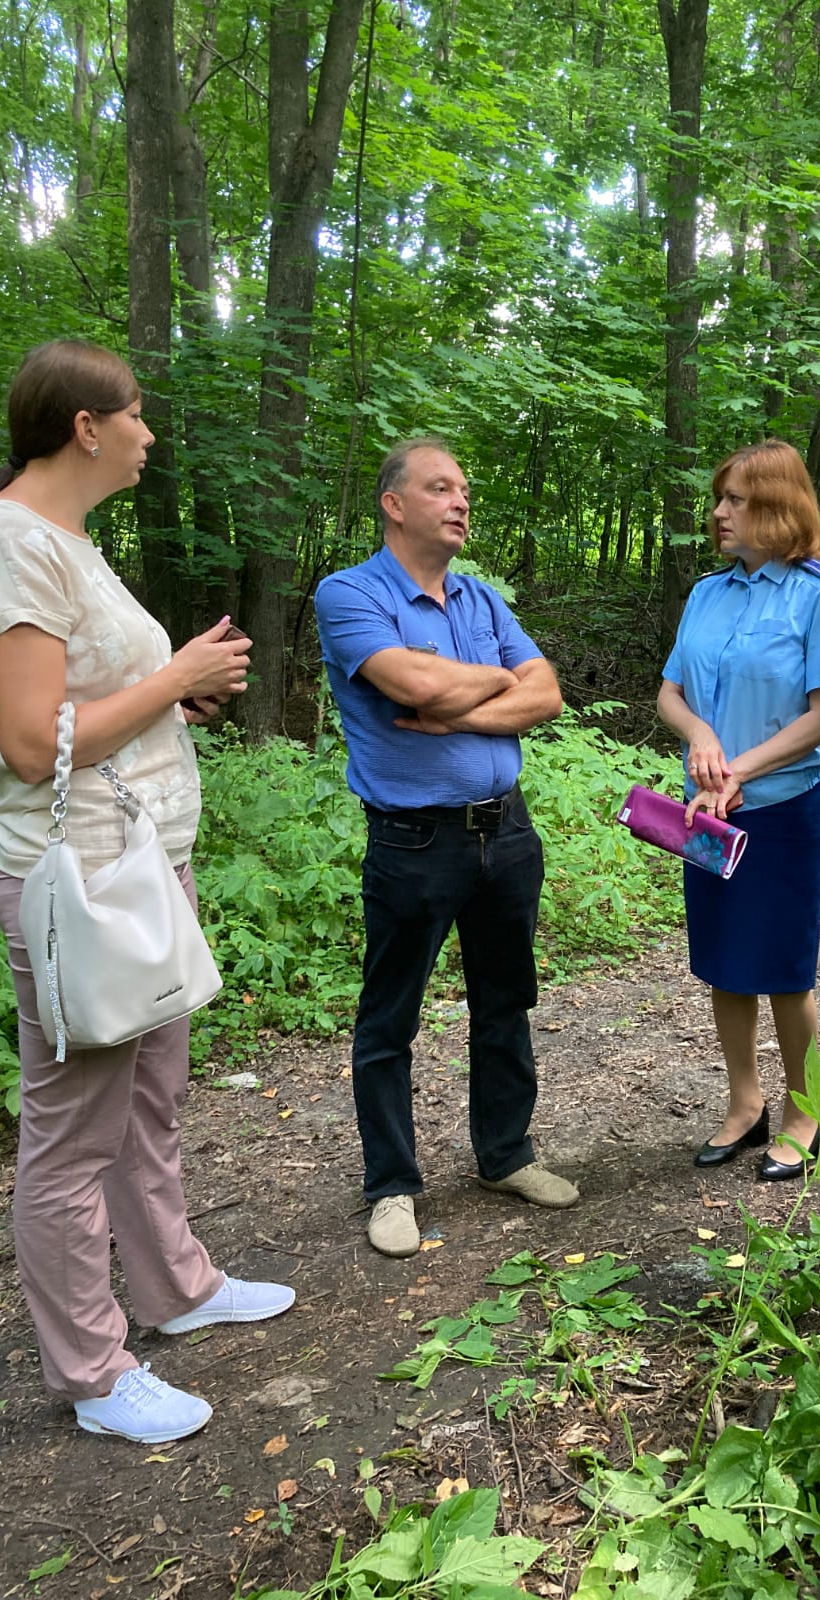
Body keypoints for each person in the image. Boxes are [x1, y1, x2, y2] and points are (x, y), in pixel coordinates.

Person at [0, 339, 296, 1444]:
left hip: (140, 862)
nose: (150, 434)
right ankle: (94, 1372)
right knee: (72, 1129)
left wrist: (167, 698)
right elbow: (21, 741)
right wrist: (176, 678)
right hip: (82, 879)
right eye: (137, 415)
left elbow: (91, 703)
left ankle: (178, 1288)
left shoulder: (65, 542)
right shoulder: (5, 542)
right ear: (87, 427)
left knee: (150, 1098)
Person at [314, 438, 577, 1259]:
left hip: (507, 830)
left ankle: (505, 1156)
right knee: (390, 1017)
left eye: (464, 489)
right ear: (395, 504)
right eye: (440, 488)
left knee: (506, 1000)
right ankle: (391, 1185)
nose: (460, 501)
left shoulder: (482, 600)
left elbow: (549, 694)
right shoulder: (349, 593)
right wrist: (489, 680)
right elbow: (414, 686)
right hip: (413, 839)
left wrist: (457, 700)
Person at [657, 440, 820, 1180]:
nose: (719, 513)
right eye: (720, 498)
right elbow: (670, 692)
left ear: (778, 506)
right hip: (707, 813)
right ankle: (745, 1106)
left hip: (783, 808)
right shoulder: (708, 594)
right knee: (724, 962)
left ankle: (807, 1113)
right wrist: (702, 735)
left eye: (736, 499)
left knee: (783, 967)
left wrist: (738, 767)